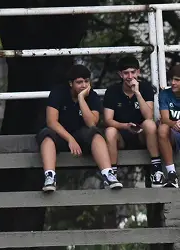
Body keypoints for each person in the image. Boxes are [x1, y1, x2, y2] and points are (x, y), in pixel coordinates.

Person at [37, 63, 122, 192]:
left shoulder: (91, 96)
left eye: (86, 81)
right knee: (47, 135)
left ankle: (108, 175)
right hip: (60, 135)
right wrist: (70, 139)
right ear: (71, 83)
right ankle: (50, 177)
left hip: (82, 136)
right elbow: (51, 122)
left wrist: (81, 98)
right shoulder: (58, 92)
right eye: (79, 82)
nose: (83, 85)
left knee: (96, 134)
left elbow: (92, 123)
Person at [102, 55, 164, 186]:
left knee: (149, 124)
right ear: (120, 74)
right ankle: (112, 174)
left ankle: (157, 169)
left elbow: (148, 116)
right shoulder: (112, 91)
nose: (130, 77)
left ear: (138, 72)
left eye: (133, 72)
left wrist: (137, 93)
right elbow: (108, 120)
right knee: (110, 131)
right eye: (126, 73)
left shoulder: (146, 88)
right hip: (122, 135)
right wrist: (125, 126)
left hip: (142, 134)